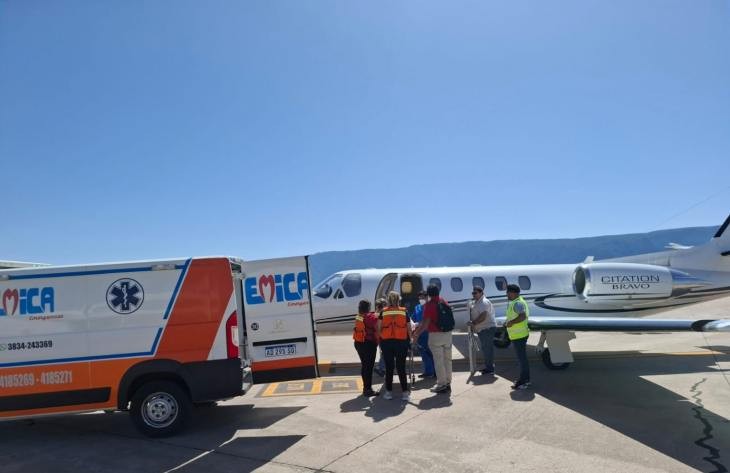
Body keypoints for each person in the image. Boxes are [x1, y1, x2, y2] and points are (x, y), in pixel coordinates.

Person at [412, 284, 452, 394]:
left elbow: (425, 324)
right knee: (447, 361)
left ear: (429, 294)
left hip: (436, 335)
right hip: (447, 334)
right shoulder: (444, 302)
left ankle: (441, 384)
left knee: (438, 361)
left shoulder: (429, 306)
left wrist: (416, 334)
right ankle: (448, 383)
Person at [378, 291, 412, 401]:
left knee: (389, 368)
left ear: (388, 300)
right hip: (401, 343)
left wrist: (381, 339)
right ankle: (405, 393)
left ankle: (388, 392)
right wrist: (411, 339)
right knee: (401, 367)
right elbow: (409, 328)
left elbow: (379, 328)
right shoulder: (404, 311)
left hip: (387, 343)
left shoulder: (383, 312)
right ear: (398, 300)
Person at [505, 284, 530, 389]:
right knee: (522, 359)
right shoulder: (518, 301)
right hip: (519, 335)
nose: (506, 294)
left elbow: (522, 316)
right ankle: (525, 380)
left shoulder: (517, 303)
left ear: (512, 293)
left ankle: (524, 382)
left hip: (519, 336)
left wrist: (511, 322)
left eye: (507, 292)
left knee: (522, 360)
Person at [467, 286, 496, 374]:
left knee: (487, 349)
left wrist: (473, 323)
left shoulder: (484, 302)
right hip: (483, 329)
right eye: (473, 293)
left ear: (481, 293)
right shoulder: (477, 302)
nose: (473, 295)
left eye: (475, 293)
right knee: (486, 349)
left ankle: (490, 369)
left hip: (487, 329)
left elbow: (483, 316)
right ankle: (489, 367)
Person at [353, 299, 379, 397]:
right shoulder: (370, 317)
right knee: (369, 367)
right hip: (368, 344)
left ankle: (366, 388)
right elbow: (377, 329)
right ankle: (368, 390)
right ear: (368, 307)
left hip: (359, 343)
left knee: (364, 366)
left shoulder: (359, 316)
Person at [411, 290, 435, 378]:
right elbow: (413, 318)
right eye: (419, 298)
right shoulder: (417, 307)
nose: (421, 299)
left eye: (422, 297)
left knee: (429, 352)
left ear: (427, 297)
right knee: (423, 353)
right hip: (419, 333)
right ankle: (428, 371)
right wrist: (413, 324)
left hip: (428, 332)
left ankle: (432, 372)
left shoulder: (429, 307)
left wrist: (419, 324)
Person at [373, 298, 387, 377]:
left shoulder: (375, 315)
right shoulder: (382, 315)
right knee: (385, 353)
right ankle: (381, 367)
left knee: (383, 353)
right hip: (383, 337)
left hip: (378, 337)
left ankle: (382, 368)